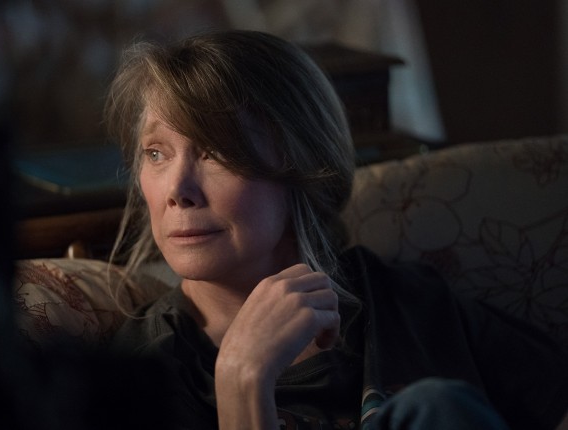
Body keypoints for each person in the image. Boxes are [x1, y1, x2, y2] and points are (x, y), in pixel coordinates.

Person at [104, 29, 568, 429]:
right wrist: (242, 378)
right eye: (156, 153)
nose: (177, 190)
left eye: (215, 151)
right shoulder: (141, 371)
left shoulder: (406, 302)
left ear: (303, 166)